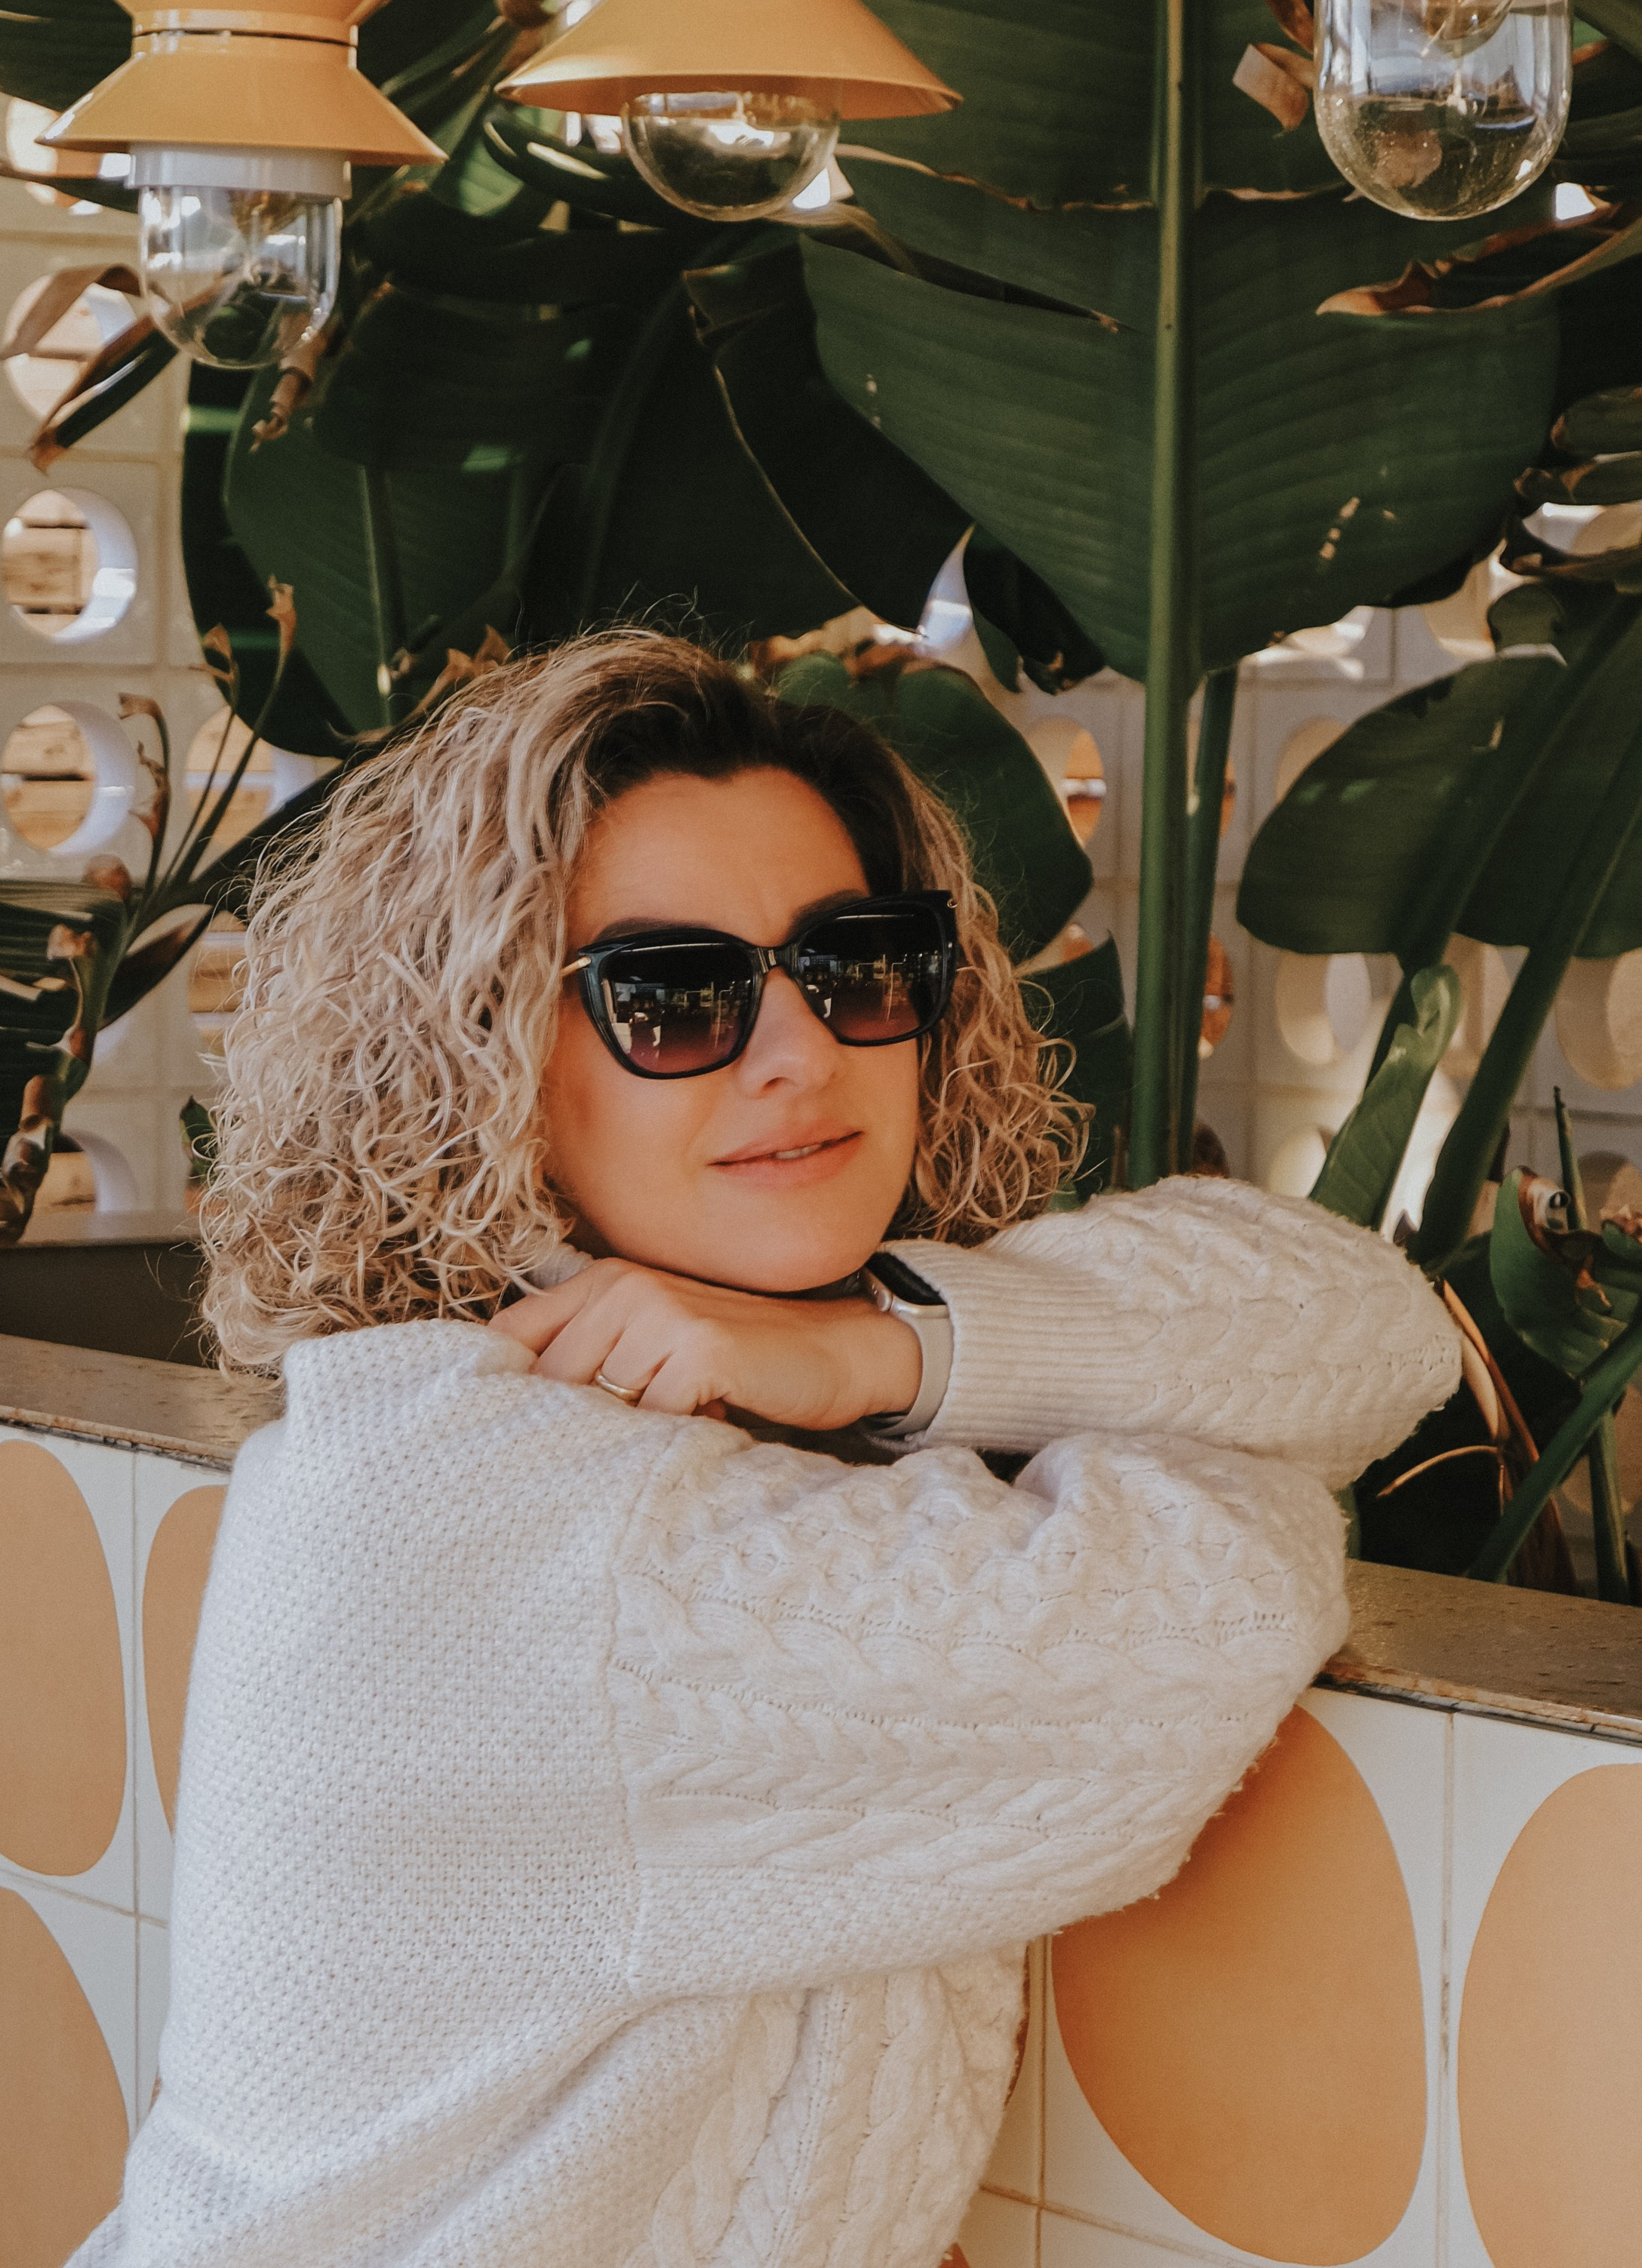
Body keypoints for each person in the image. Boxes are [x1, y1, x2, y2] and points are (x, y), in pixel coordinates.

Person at [77, 631, 1459, 2268]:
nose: (797, 1050)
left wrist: (889, 1347)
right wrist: (1041, 1395)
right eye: (673, 997)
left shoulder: (629, 1401)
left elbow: (1378, 1328)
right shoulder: (503, 1509)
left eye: (856, 960)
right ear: (486, 1062)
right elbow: (1218, 1598)